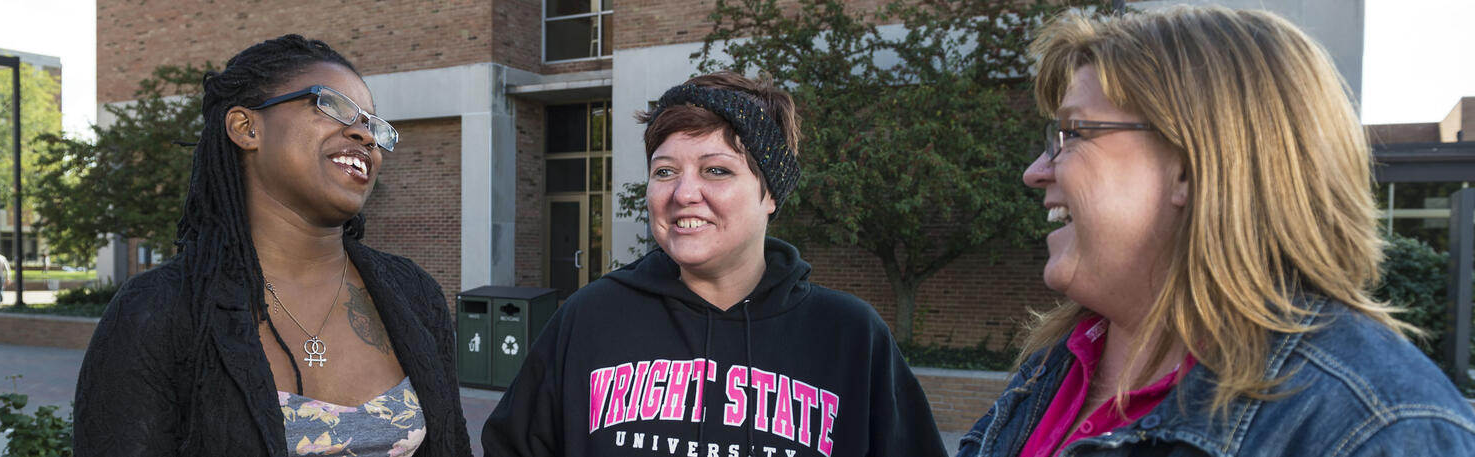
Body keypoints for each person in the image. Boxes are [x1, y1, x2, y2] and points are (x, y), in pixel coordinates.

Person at [958, 6, 1475, 457]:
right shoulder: (1059, 365)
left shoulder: (1377, 426)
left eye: (1072, 133)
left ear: (1190, 165)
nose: (1035, 172)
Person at [482, 71, 947, 457]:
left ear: (769, 194)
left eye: (716, 170)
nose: (683, 193)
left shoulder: (849, 336)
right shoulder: (590, 318)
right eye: (664, 171)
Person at [73, 34, 472, 457]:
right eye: (333, 106)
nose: (365, 136)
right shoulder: (160, 309)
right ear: (247, 128)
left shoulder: (414, 294)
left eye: (374, 126)